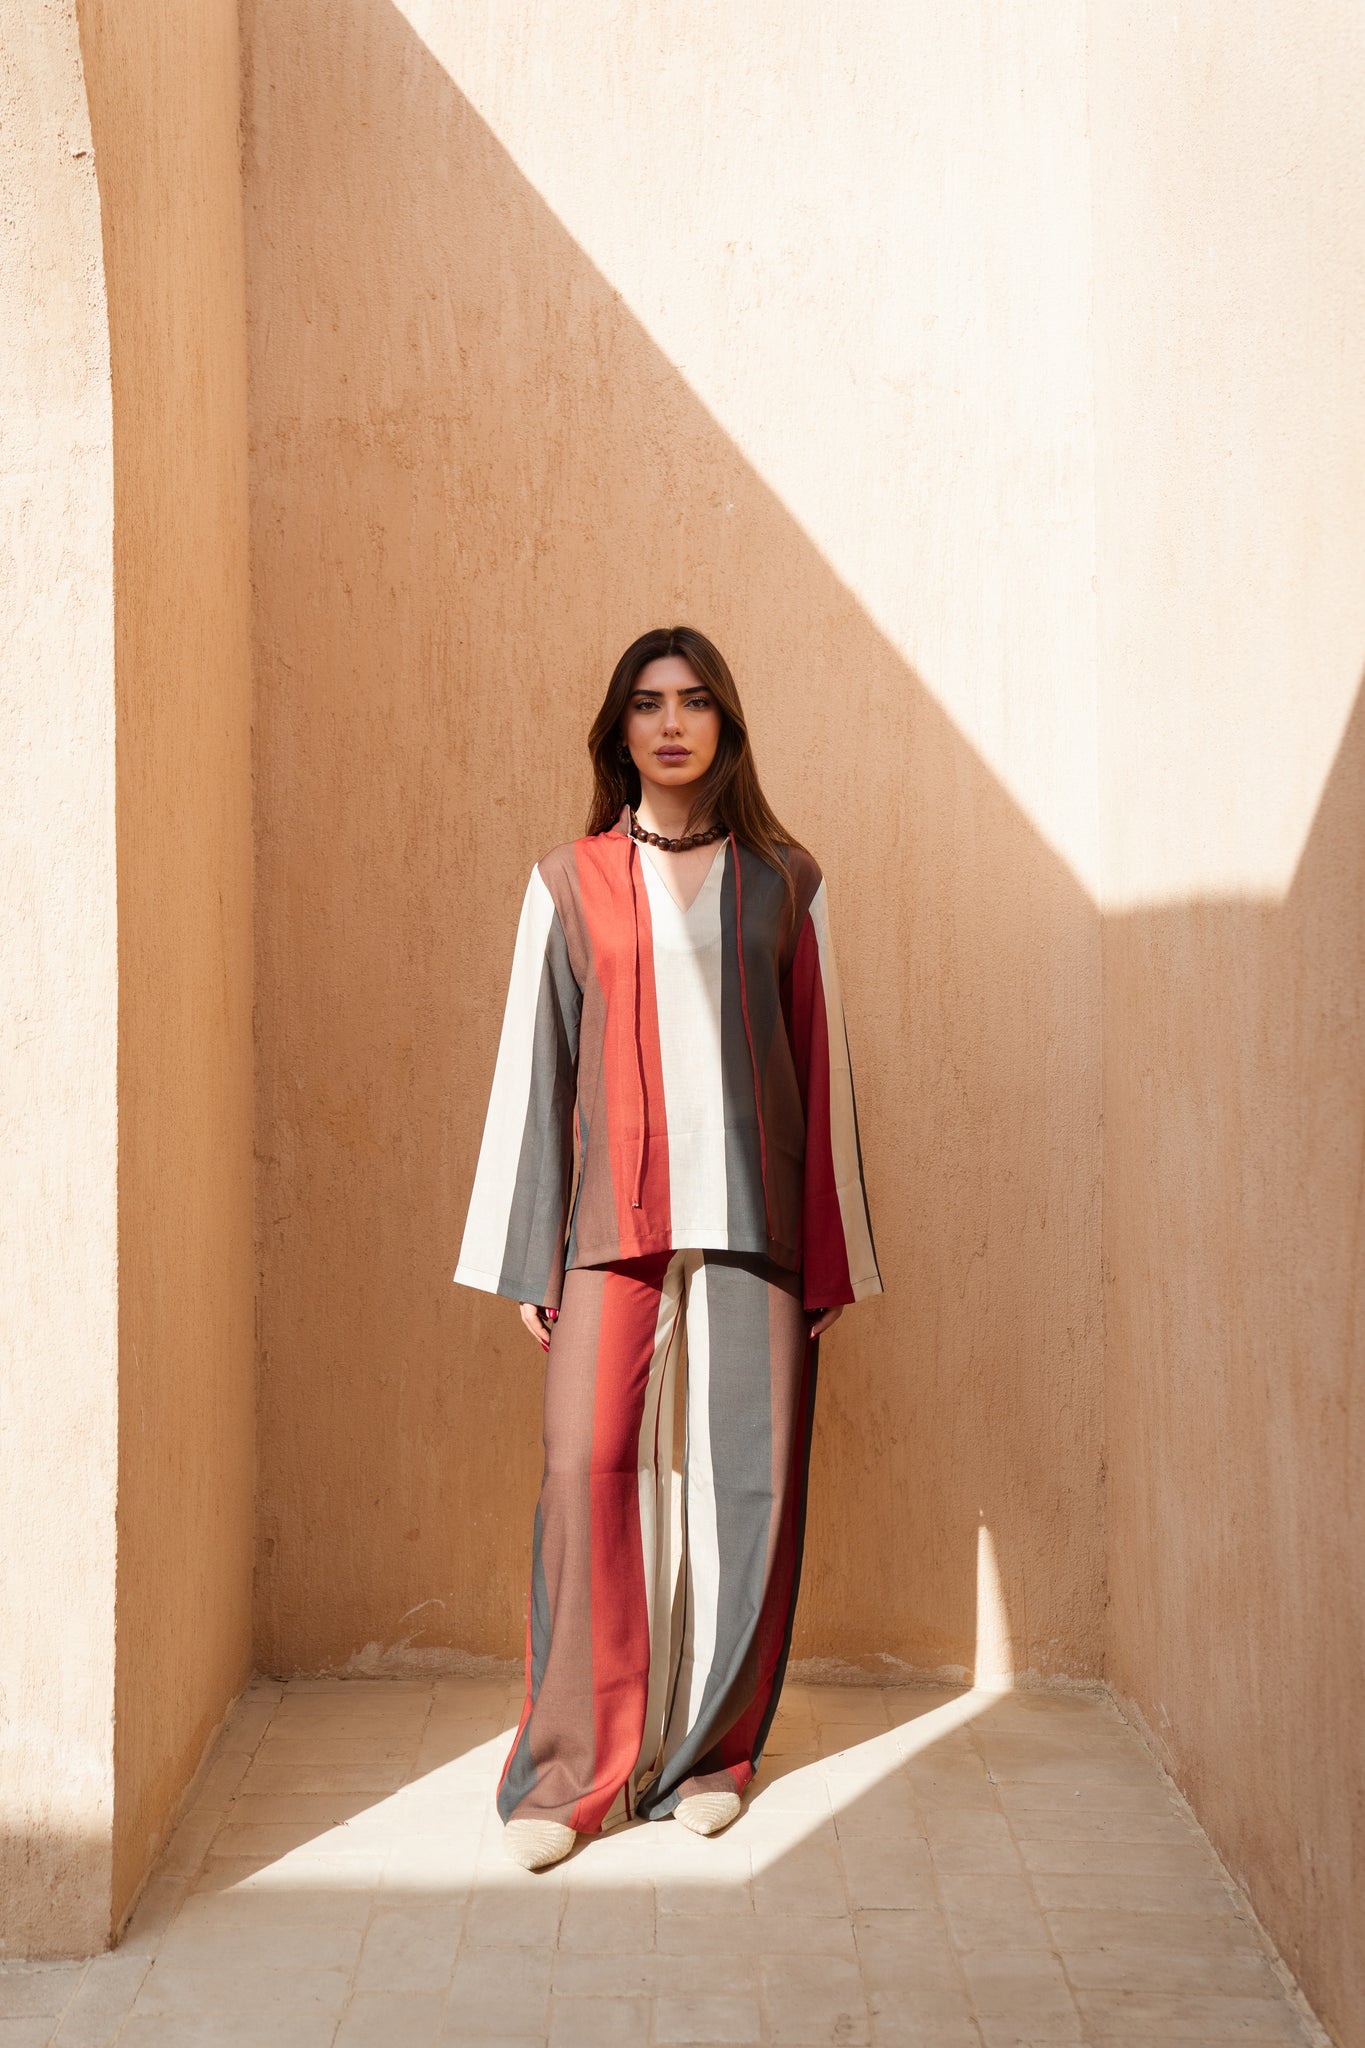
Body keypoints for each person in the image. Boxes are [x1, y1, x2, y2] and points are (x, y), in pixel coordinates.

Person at [453, 625, 883, 1870]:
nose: (673, 722)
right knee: (587, 1467)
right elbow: (534, 1065)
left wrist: (830, 1256)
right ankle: (570, 1771)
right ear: (620, 729)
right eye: (648, 703)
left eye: (695, 701)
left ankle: (709, 1754)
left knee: (747, 1481)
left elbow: (822, 1063)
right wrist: (533, 1252)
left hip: (757, 1216)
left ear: (725, 724)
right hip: (611, 1216)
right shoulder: (567, 881)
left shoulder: (787, 880)